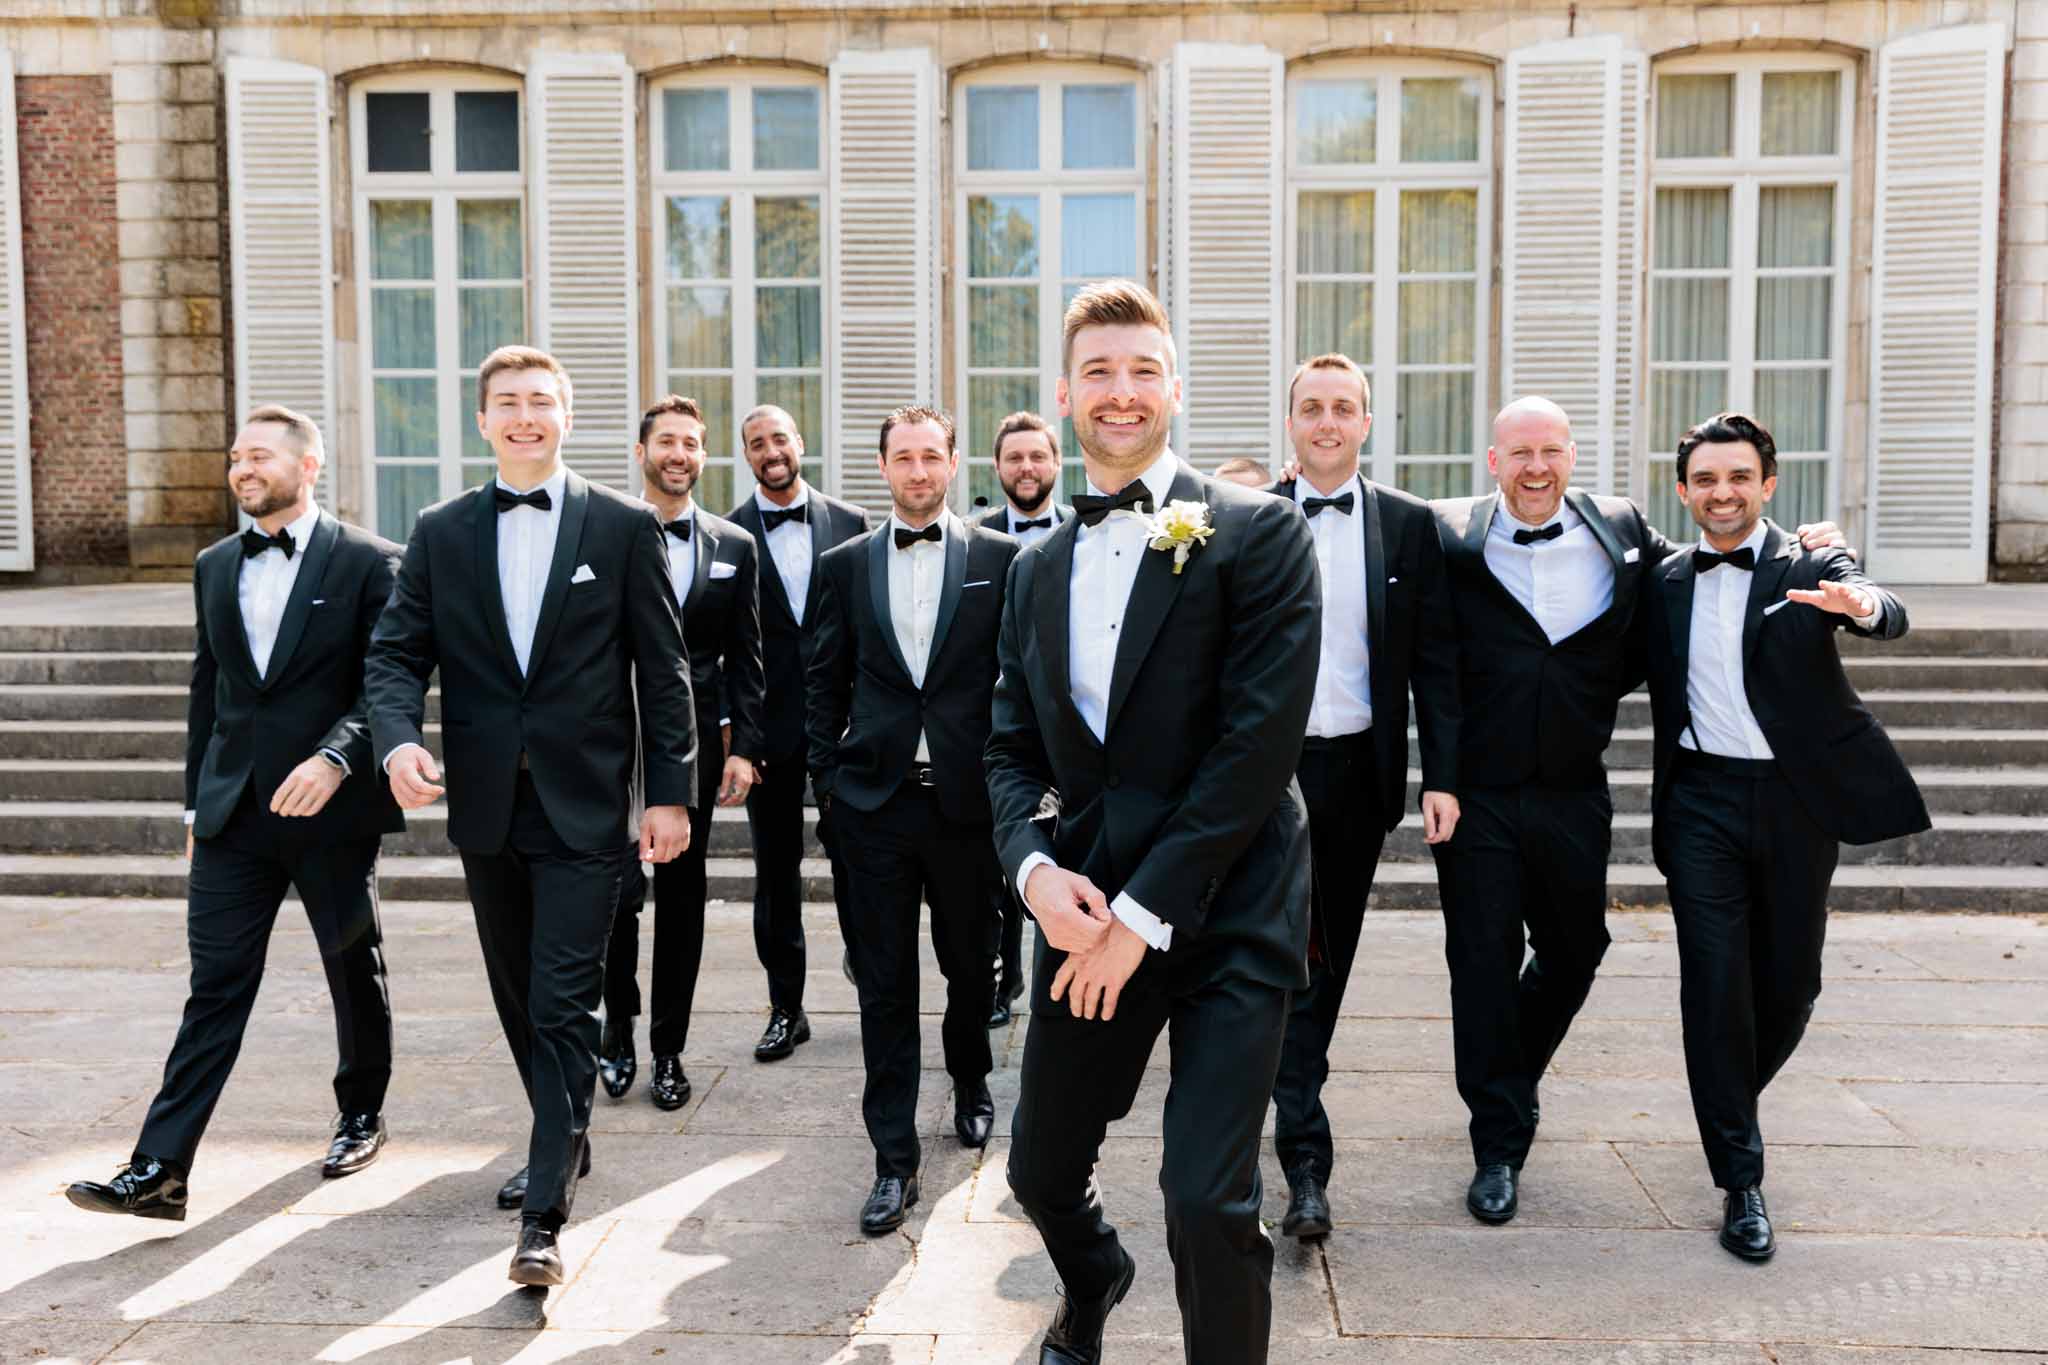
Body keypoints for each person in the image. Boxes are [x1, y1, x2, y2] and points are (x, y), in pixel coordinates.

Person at [988, 280, 1320, 1365]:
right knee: (1038, 1170)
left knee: (1206, 1200)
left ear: (1175, 388)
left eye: (1142, 370)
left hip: (1230, 906)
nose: (1120, 391)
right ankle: (1094, 1277)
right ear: (1064, 394)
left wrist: (1144, 916)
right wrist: (1034, 872)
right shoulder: (1033, 569)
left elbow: (1255, 751)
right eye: (1098, 371)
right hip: (1086, 910)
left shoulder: (1262, 534)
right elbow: (1008, 752)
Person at [1429, 397, 1842, 1228]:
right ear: (1492, 460)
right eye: (1520, 453)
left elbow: (1715, 552)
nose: (1536, 468)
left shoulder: (1621, 528)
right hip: (1474, 793)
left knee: (1577, 948)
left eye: (1550, 451)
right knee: (1480, 966)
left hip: (1573, 788)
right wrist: (1293, 482)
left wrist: (1812, 547)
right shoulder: (1444, 532)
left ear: (1572, 455)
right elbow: (1386, 574)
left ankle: (1510, 1077)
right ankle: (1497, 1144)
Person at [366, 346, 697, 1287]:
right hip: (484, 806)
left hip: (586, 805)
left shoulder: (624, 526)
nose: (524, 416)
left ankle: (543, 1217)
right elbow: (395, 654)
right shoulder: (439, 531)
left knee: (561, 1002)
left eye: (541, 401)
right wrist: (397, 743)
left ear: (567, 415)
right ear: (482, 420)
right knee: (518, 998)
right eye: (507, 402)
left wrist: (669, 792)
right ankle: (567, 1133)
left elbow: (664, 671)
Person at [66, 406, 403, 1222]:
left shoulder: (371, 560)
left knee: (351, 969)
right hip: (232, 816)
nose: (242, 469)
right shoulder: (215, 563)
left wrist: (335, 757)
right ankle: (160, 1166)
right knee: (214, 986)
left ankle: (361, 1113)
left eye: (260, 456)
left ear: (309, 466)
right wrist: (195, 803)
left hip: (329, 809)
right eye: (235, 457)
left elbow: (387, 682)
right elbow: (206, 689)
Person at [1646, 412, 1927, 1262]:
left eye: (1739, 476)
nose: (1722, 492)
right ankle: (1741, 1178)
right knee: (1714, 984)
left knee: (1793, 985)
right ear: (1685, 490)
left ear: (1767, 483)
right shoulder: (1663, 580)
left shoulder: (1810, 562)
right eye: (1705, 479)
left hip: (1797, 801)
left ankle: (1726, 1097)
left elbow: (1882, 607)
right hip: (1699, 800)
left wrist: (1863, 604)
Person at [807, 405, 1020, 1233]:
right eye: (905, 457)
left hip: (968, 807)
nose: (920, 471)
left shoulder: (1001, 560)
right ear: (884, 466)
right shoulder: (844, 565)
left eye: (933, 456)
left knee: (972, 970)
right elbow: (823, 681)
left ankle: (970, 1077)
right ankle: (893, 1159)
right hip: (875, 806)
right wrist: (829, 786)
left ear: (955, 463)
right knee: (885, 986)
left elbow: (1018, 679)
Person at [1262, 354, 1461, 1240]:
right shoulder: (1250, 517)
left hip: (1356, 774)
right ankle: (1304, 1160)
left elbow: (1436, 662)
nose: (1327, 422)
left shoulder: (1410, 525)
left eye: (1344, 408)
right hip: (1263, 778)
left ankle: (1294, 1108)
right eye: (1312, 407)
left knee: (1326, 958)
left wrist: (1441, 775)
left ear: (1366, 423)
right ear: (1292, 422)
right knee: (1281, 953)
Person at [600, 396, 766, 1109]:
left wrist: (744, 747)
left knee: (682, 900)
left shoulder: (735, 545)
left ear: (703, 456)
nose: (679, 454)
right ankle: (617, 1027)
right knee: (611, 894)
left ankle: (668, 1050)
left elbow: (747, 655)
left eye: (691, 443)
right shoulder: (602, 532)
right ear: (641, 452)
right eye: (666, 441)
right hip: (608, 739)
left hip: (689, 743)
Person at [726, 405, 871, 1060]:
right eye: (757, 443)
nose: (771, 451)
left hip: (845, 727)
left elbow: (869, 628)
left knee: (858, 860)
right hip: (767, 733)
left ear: (800, 442)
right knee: (775, 873)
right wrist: (738, 736)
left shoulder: (851, 522)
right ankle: (786, 1007)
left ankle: (872, 980)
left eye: (779, 438)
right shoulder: (729, 534)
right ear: (747, 456)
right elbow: (724, 645)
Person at [976, 409, 1073, 1025]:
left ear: (1057, 463)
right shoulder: (975, 540)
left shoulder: (1087, 531)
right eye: (1015, 457)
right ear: (997, 467)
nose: (1027, 467)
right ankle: (1001, 978)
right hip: (1006, 728)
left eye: (1038, 456)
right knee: (1004, 860)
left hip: (1074, 730)